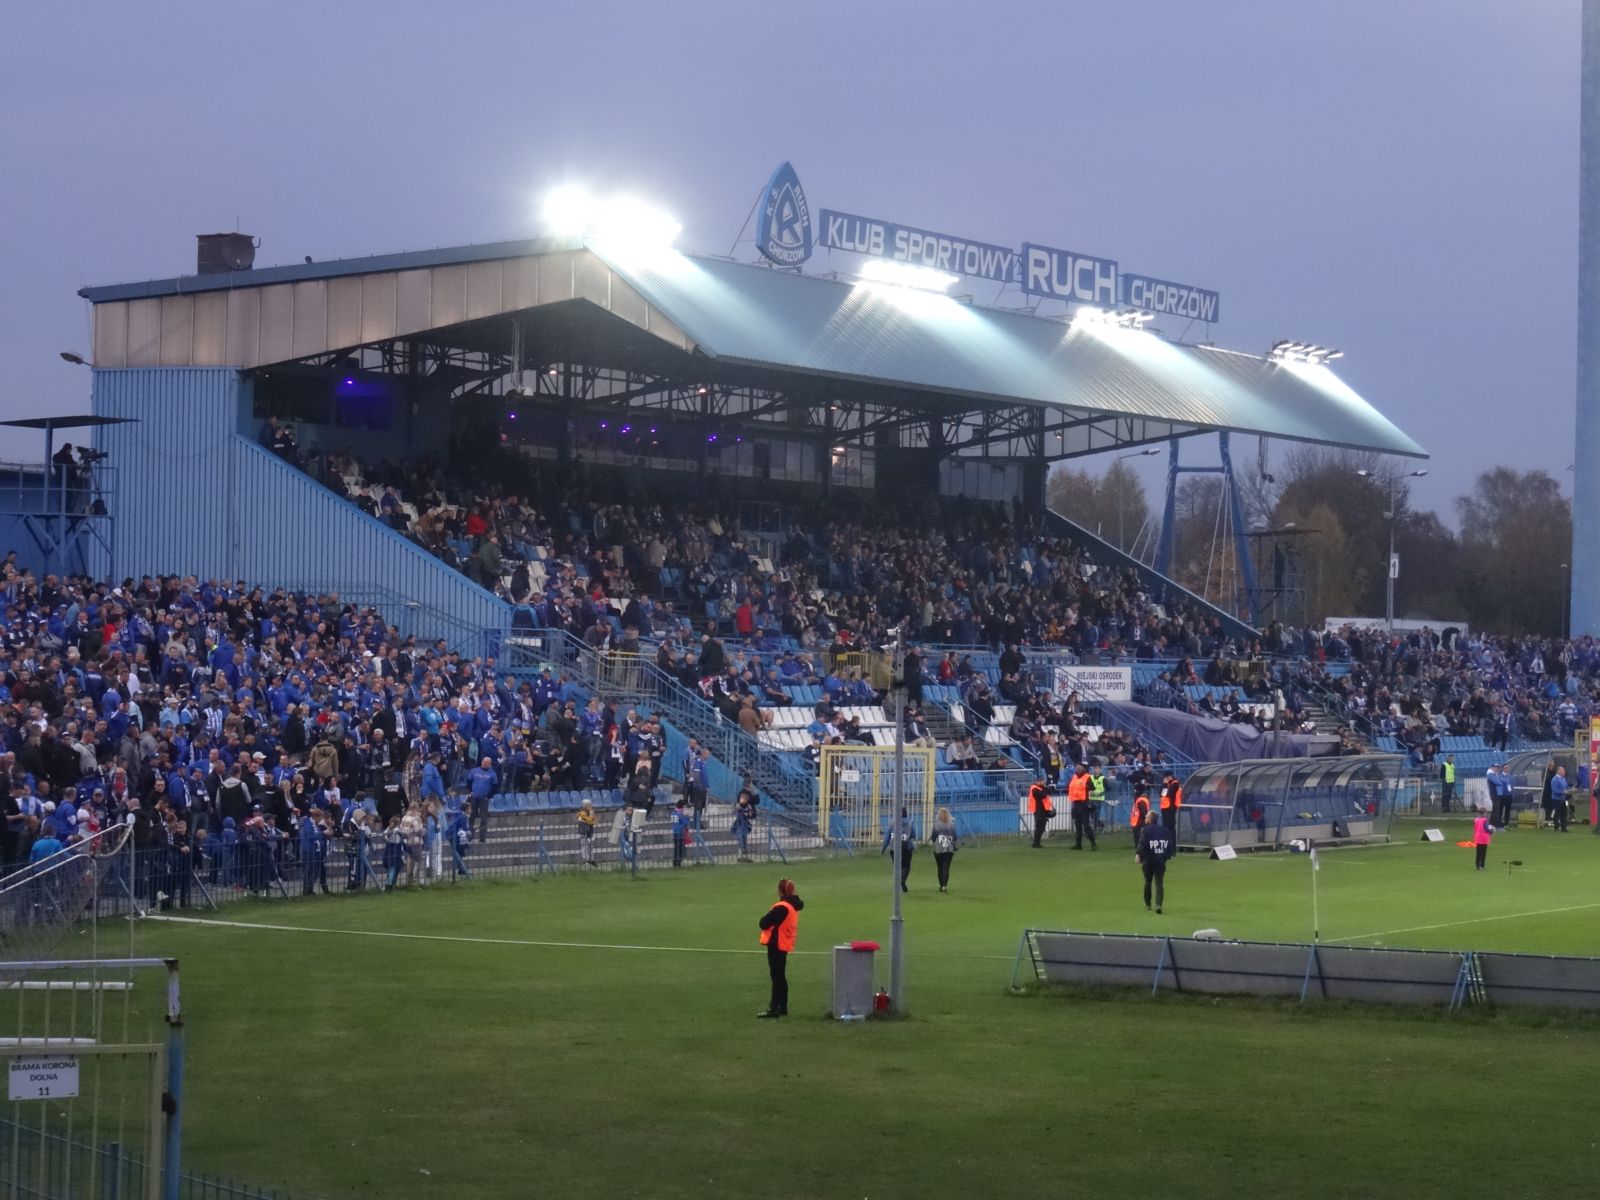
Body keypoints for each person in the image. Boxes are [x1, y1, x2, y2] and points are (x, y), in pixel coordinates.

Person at [757, 877, 803, 1019]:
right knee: (780, 976)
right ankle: (782, 1007)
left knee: (776, 977)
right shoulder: (793, 905)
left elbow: (763, 923)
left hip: (776, 943)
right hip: (784, 943)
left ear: (781, 891)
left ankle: (774, 1008)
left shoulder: (782, 907)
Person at [1136, 809, 1175, 913]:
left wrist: (1138, 854)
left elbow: (1142, 843)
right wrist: (1165, 857)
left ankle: (1148, 904)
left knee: (1147, 882)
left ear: (1150, 819)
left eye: (1146, 817)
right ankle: (1158, 905)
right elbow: (1170, 846)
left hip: (1148, 861)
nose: (1145, 819)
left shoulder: (1145, 831)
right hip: (1160, 861)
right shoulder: (1165, 830)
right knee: (1159, 883)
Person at [883, 806, 916, 891]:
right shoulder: (910, 823)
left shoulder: (892, 823)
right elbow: (913, 836)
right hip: (906, 847)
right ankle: (902, 880)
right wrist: (914, 847)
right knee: (906, 866)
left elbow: (887, 837)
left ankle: (899, 881)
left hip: (894, 847)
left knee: (897, 866)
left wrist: (883, 848)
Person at [1069, 761, 1096, 851]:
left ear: (1082, 768)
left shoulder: (1087, 777)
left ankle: (1093, 843)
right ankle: (1078, 844)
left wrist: (1090, 801)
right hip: (1076, 803)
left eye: (1078, 767)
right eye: (1075, 767)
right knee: (1077, 825)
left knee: (1086, 824)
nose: (1076, 768)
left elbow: (1092, 789)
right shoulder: (1074, 777)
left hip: (1084, 803)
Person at [931, 805, 957, 894]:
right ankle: (944, 886)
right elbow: (955, 837)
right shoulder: (952, 825)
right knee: (946, 867)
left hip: (938, 848)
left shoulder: (936, 825)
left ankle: (941, 885)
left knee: (940, 867)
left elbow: (933, 837)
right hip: (949, 849)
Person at [1027, 778, 1054, 848]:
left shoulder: (1041, 787)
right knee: (1039, 826)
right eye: (1043, 782)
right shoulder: (1034, 788)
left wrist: (1045, 788)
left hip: (1043, 809)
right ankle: (1036, 843)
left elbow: (1050, 792)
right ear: (1039, 781)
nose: (1044, 783)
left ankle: (1037, 842)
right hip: (1038, 809)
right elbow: (1043, 795)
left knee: (1041, 827)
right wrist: (1045, 789)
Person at [1486, 763, 1514, 829]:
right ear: (1492, 767)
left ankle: (1492, 822)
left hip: (1498, 794)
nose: (1497, 768)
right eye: (1496, 767)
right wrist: (1502, 781)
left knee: (1496, 809)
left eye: (1498, 767)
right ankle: (1496, 823)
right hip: (1495, 794)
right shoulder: (1491, 774)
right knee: (1496, 809)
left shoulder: (1494, 774)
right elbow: (1498, 782)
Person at [576, 800, 598, 867]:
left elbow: (595, 821)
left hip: (590, 831)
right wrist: (591, 817)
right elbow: (589, 821)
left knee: (591, 846)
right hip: (584, 832)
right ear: (586, 806)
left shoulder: (590, 812)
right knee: (584, 847)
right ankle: (586, 860)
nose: (591, 806)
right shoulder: (582, 813)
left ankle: (591, 860)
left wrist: (591, 819)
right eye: (590, 805)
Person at [1550, 766, 1570, 833]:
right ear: (1558, 771)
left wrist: (1571, 789)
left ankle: (1564, 828)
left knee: (1564, 813)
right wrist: (1563, 792)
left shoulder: (1563, 779)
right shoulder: (1554, 779)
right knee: (1556, 813)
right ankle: (1556, 827)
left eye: (1564, 771)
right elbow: (1554, 790)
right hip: (1556, 799)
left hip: (1564, 799)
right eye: (1563, 771)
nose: (1564, 772)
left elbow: (1566, 787)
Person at [671, 798, 690, 868]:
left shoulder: (673, 813)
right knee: (680, 848)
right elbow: (685, 823)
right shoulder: (680, 814)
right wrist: (687, 816)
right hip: (680, 833)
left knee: (676, 848)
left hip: (675, 832)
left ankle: (675, 861)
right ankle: (679, 862)